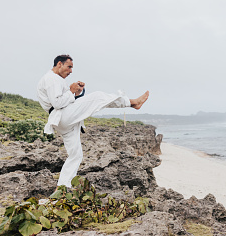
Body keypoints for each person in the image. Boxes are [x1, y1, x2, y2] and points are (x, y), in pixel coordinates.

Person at [37, 54, 149, 187]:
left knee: (75, 155)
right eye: (69, 67)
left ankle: (63, 187)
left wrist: (77, 92)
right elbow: (57, 103)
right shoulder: (51, 78)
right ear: (59, 64)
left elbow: (67, 101)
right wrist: (71, 91)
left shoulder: (57, 79)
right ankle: (132, 102)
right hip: (61, 115)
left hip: (62, 120)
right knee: (98, 97)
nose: (71, 71)